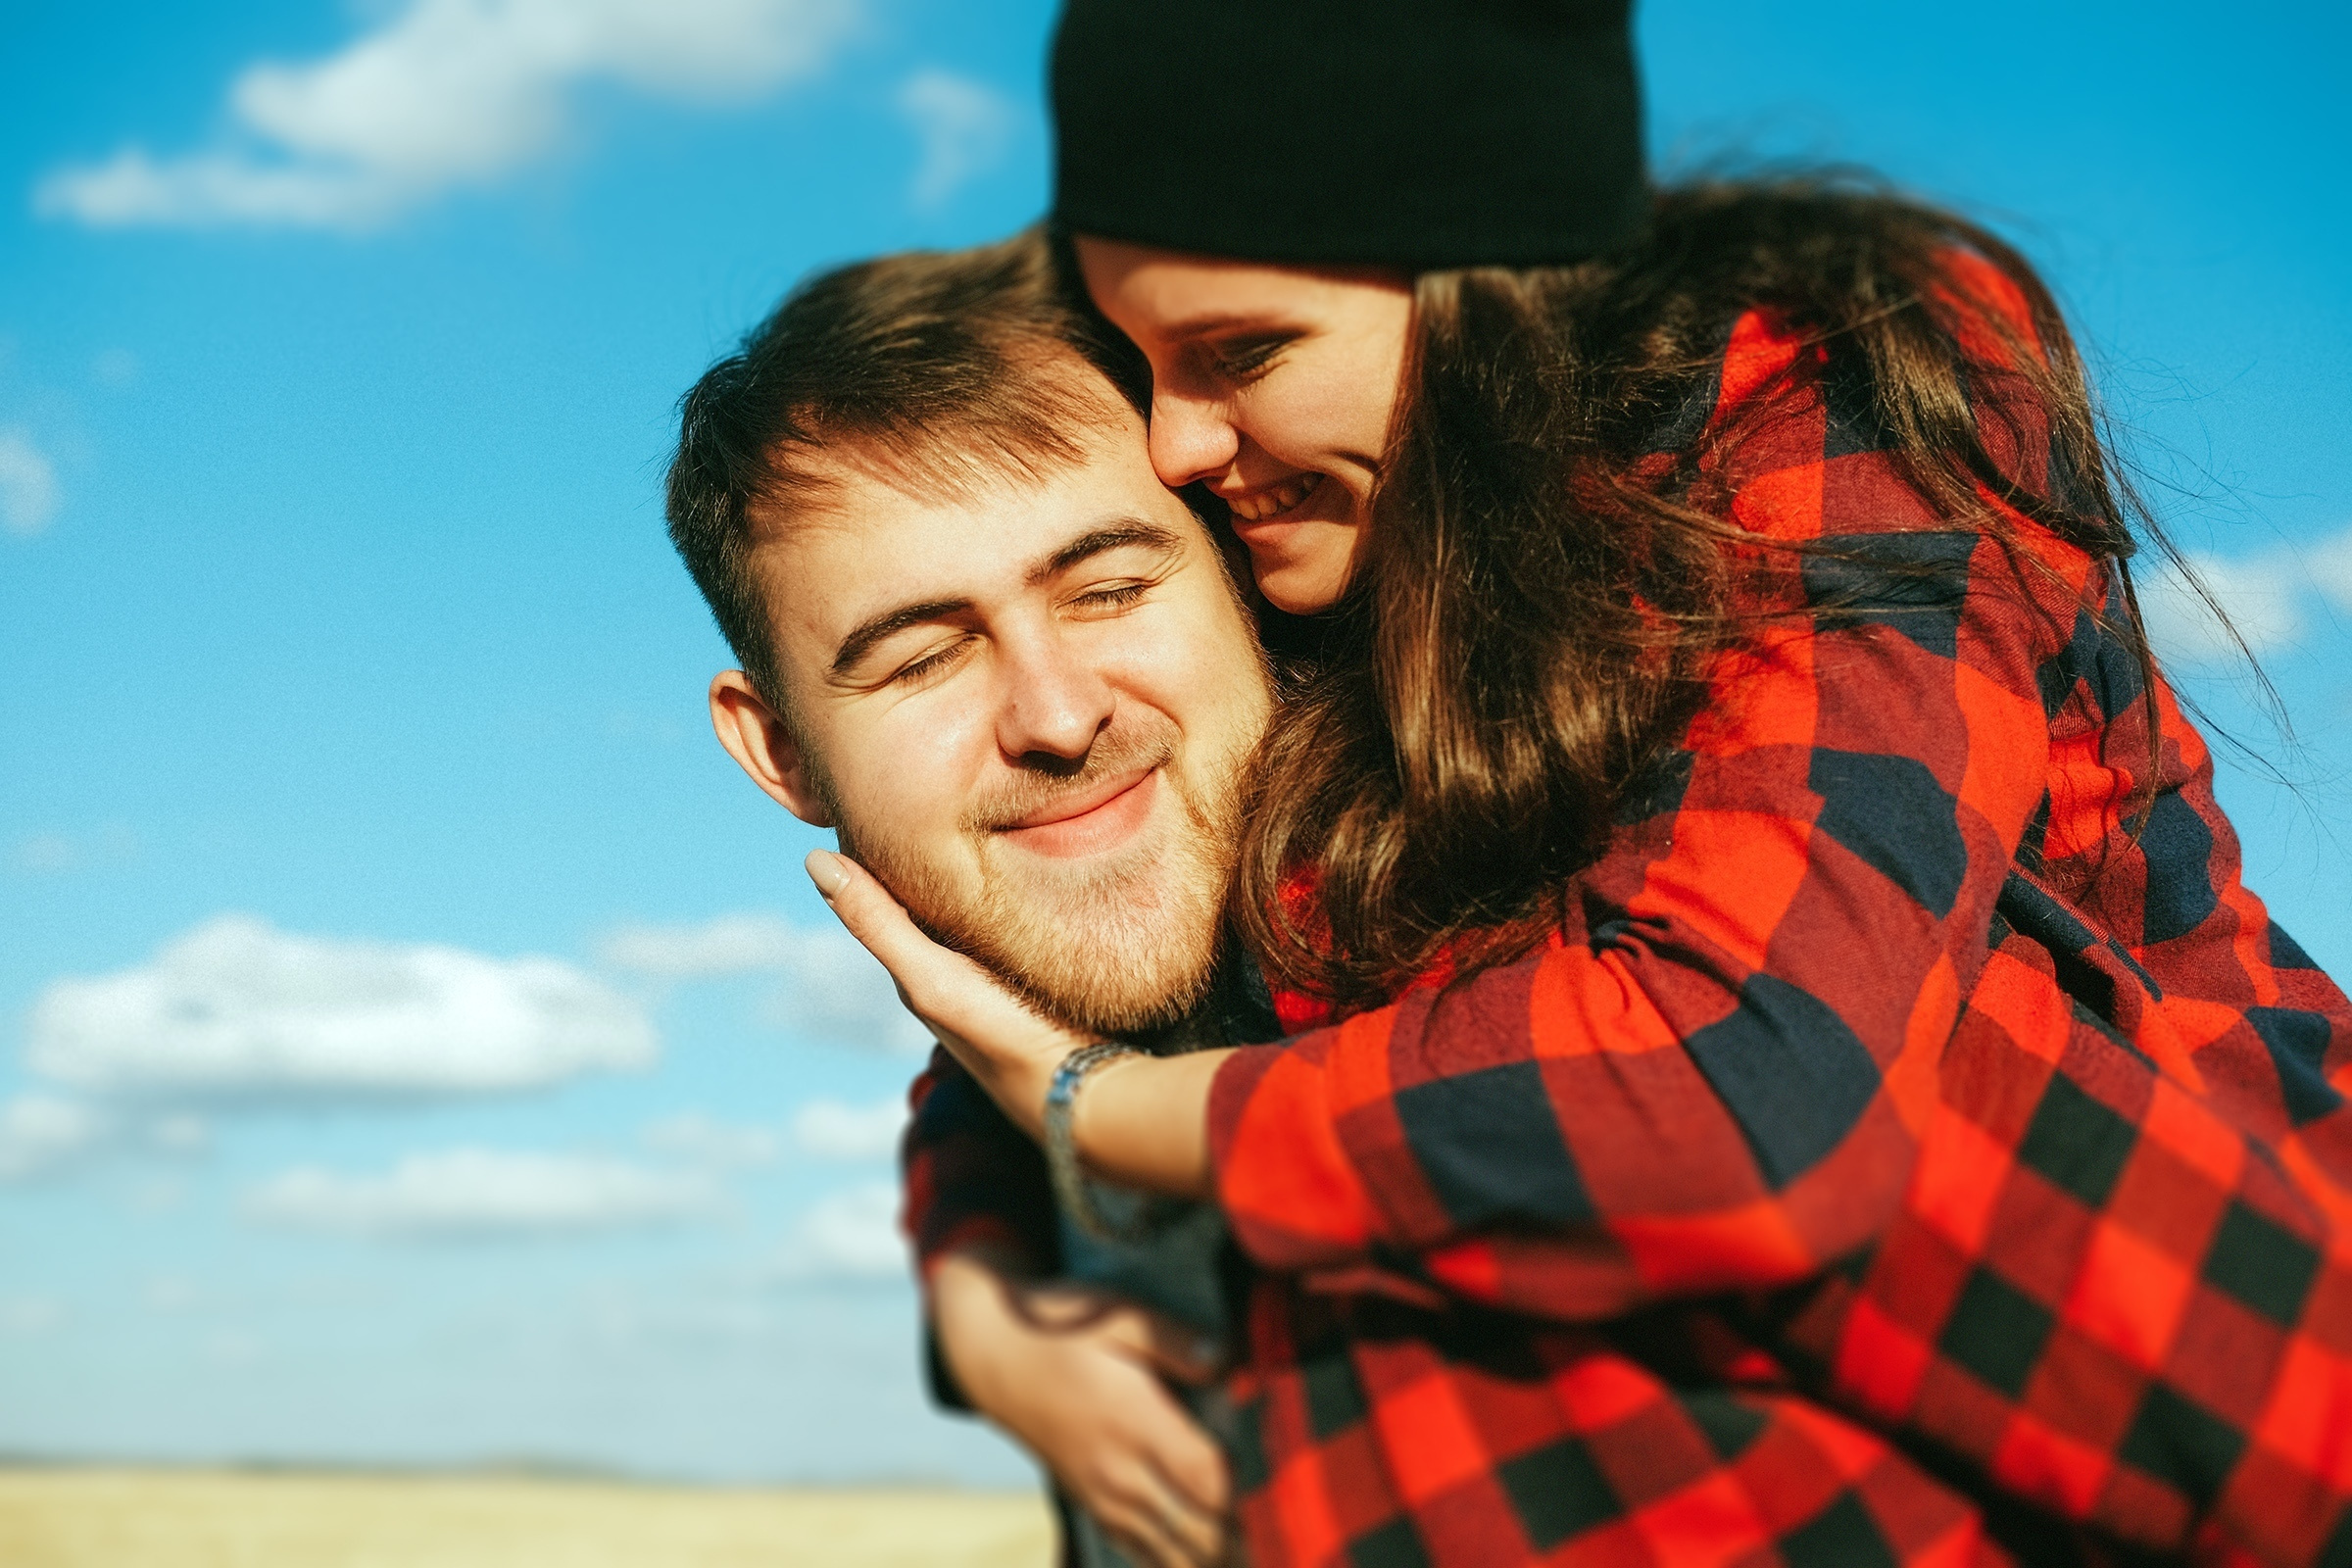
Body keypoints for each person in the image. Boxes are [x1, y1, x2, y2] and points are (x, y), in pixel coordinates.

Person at [813, 1, 2352, 1564]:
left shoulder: (1814, 403)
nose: (1177, 443)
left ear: (1487, 278)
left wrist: (1101, 1117)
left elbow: (1749, 1091)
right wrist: (987, 1287)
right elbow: (1103, 943)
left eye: (1242, 354)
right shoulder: (1341, 534)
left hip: (2209, 1374)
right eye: (1146, 364)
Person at [663, 234, 1285, 1567]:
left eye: (1110, 589)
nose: (1056, 716)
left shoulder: (1567, 966)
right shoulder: (1001, 1090)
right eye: (922, 659)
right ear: (782, 752)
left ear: (1248, 570)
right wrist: (982, 1293)